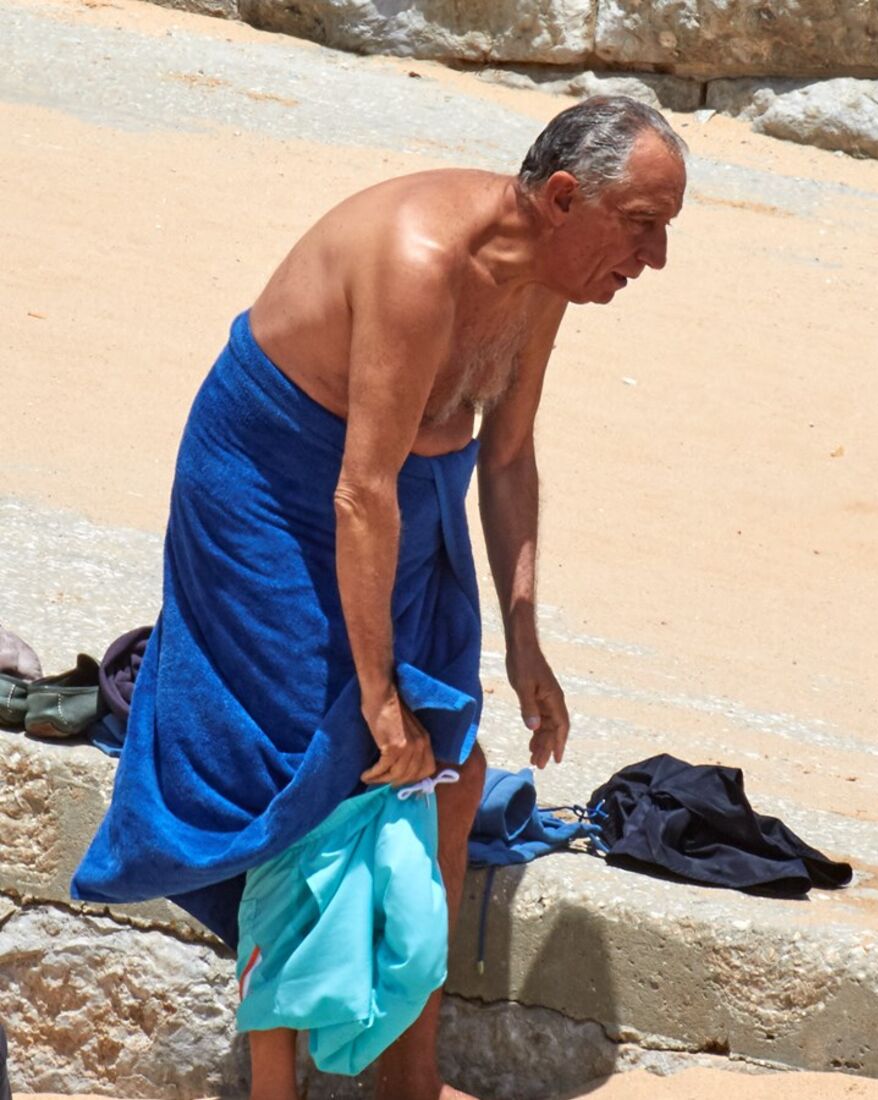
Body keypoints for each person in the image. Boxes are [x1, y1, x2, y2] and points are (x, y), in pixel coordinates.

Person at [72, 95, 687, 1100]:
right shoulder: (417, 263)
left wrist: (525, 636)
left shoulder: (544, 276)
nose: (654, 257)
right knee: (316, 766)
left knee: (449, 764)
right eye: (643, 226)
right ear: (566, 198)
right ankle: (284, 1073)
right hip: (275, 487)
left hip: (412, 495)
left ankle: (408, 1072)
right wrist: (372, 688)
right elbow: (358, 490)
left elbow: (511, 452)